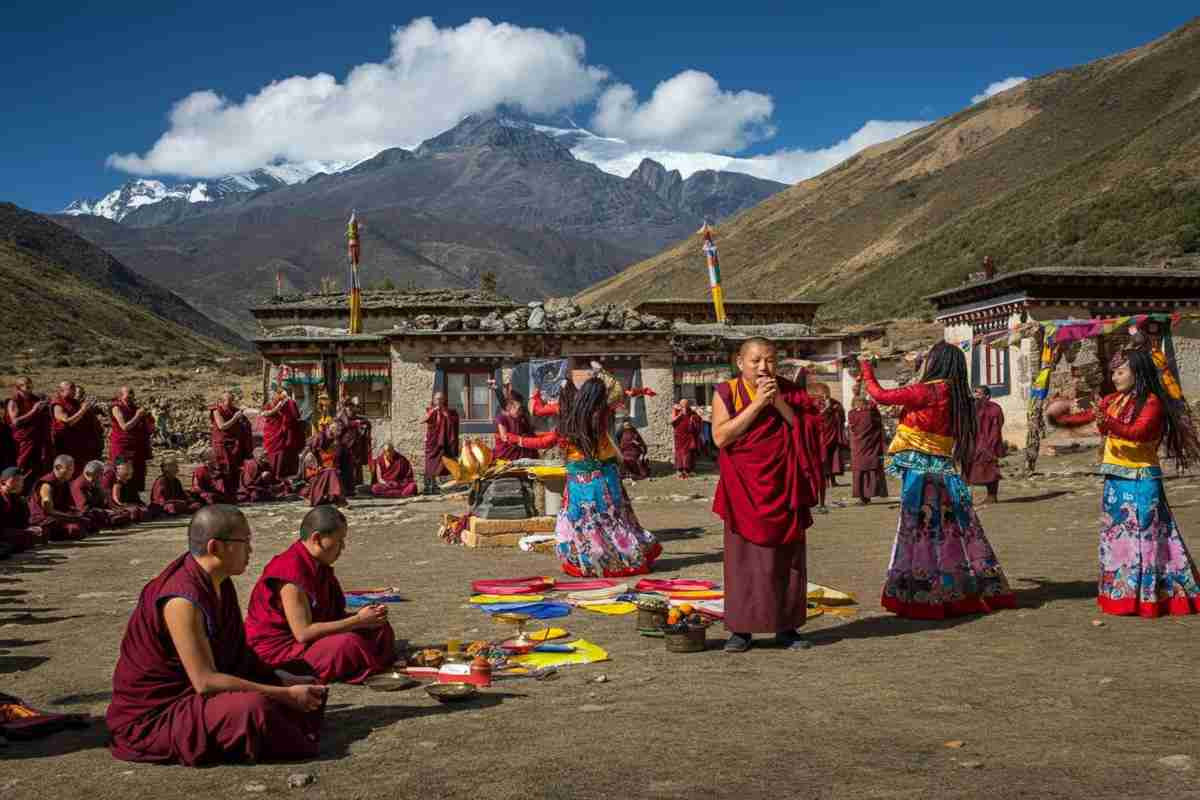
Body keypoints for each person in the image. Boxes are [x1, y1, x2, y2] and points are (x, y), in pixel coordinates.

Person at [106, 505, 326, 765]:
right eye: (245, 541)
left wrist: (278, 677)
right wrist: (283, 694)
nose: (250, 550)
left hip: (200, 693)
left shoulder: (220, 581)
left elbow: (236, 655)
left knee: (302, 674)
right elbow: (205, 682)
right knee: (254, 709)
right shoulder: (181, 600)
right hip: (158, 715)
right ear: (216, 547)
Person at [860, 343, 1016, 619]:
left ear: (936, 362)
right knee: (955, 531)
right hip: (946, 471)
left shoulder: (928, 391)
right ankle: (967, 588)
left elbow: (881, 396)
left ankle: (925, 594)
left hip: (921, 474)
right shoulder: (959, 396)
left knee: (921, 530)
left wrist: (866, 369)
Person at [1066, 349, 1200, 617]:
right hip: (1115, 481)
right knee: (1118, 539)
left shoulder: (1151, 402)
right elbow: (1104, 428)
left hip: (1141, 479)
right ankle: (1122, 596)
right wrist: (1071, 416)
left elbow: (1138, 432)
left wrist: (1107, 420)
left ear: (1137, 373)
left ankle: (1152, 597)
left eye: (1120, 372)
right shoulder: (1113, 400)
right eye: (1113, 373)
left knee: (1147, 538)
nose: (1115, 377)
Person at [712, 338, 824, 653]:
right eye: (756, 360)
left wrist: (779, 404)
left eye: (771, 360)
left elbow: (809, 431)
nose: (764, 367)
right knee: (742, 562)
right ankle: (741, 630)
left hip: (784, 486)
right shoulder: (727, 392)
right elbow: (721, 437)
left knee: (786, 560)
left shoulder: (790, 392)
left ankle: (786, 627)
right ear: (740, 362)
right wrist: (758, 404)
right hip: (744, 488)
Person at [506, 369, 660, 577]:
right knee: (613, 519)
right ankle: (625, 559)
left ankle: (589, 561)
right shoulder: (603, 414)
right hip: (606, 478)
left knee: (582, 523)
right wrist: (602, 373)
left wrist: (515, 439)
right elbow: (618, 390)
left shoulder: (568, 423)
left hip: (578, 482)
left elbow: (542, 439)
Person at [245, 506, 396, 683]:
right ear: (317, 539)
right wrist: (358, 620)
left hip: (309, 641)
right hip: (280, 653)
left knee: (379, 627)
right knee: (348, 644)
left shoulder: (317, 565)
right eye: (339, 541)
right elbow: (303, 633)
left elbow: (330, 616)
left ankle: (365, 659)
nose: (343, 547)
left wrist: (368, 617)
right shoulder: (290, 571)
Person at [30, 455, 94, 540]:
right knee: (75, 530)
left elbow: (65, 505)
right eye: (69, 469)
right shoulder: (46, 484)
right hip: (44, 520)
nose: (72, 472)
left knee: (88, 520)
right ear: (58, 467)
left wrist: (76, 513)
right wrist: (71, 517)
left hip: (58, 517)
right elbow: (48, 510)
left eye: (72, 469)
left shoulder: (63, 482)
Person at [8, 377, 54, 489]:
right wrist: (34, 410)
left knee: (39, 464)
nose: (29, 388)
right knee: (22, 464)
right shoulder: (14, 401)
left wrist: (45, 407)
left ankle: (33, 489)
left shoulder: (35, 399)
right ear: (19, 388)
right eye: (26, 386)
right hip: (25, 438)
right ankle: (16, 487)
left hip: (39, 436)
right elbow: (15, 421)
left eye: (30, 385)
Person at [109, 386, 154, 494]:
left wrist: (147, 418)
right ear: (120, 396)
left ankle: (134, 496)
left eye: (132, 394)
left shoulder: (136, 408)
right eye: (128, 393)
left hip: (136, 447)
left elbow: (149, 429)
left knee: (137, 472)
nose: (130, 396)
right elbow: (124, 427)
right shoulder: (116, 408)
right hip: (121, 447)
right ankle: (117, 497)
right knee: (120, 472)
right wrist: (138, 416)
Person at [965, 386, 1005, 504]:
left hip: (989, 442)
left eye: (979, 393)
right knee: (969, 469)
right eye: (974, 393)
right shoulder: (972, 408)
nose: (975, 395)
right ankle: (966, 498)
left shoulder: (994, 408)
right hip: (974, 443)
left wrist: (992, 443)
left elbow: (998, 425)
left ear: (987, 396)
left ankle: (992, 496)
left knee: (991, 470)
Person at [210, 392, 253, 499]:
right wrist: (235, 418)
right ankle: (224, 491)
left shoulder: (234, 410)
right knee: (224, 467)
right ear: (221, 401)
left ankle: (235, 490)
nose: (230, 403)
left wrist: (242, 417)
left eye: (232, 400)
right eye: (228, 401)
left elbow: (245, 423)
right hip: (222, 443)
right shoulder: (216, 410)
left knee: (235, 467)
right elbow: (222, 426)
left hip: (234, 443)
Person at [847, 396, 888, 504]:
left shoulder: (853, 414)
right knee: (868, 469)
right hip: (869, 446)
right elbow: (878, 424)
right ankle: (867, 496)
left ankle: (863, 497)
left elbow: (852, 426)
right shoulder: (871, 414)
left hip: (859, 446)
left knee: (861, 470)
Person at [50, 382, 95, 478]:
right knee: (65, 466)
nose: (74, 391)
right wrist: (83, 410)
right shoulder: (58, 404)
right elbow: (67, 421)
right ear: (62, 390)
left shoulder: (74, 402)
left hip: (77, 441)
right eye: (71, 389)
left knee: (78, 467)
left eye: (74, 388)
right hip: (64, 441)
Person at [71, 460, 134, 529]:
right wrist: (104, 511)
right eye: (99, 474)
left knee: (123, 513)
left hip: (98, 510)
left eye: (102, 474)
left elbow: (103, 500)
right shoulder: (79, 485)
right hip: (87, 513)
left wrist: (114, 509)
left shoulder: (95, 482)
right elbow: (83, 508)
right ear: (88, 473)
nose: (101, 477)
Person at [261, 386, 305, 481]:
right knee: (271, 452)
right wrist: (276, 409)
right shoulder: (270, 404)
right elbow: (264, 414)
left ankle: (280, 473)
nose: (273, 396)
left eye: (276, 394)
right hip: (272, 431)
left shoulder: (288, 403)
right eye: (272, 394)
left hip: (282, 432)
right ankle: (272, 473)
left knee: (282, 451)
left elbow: (295, 416)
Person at [422, 392, 460, 495]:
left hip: (443, 441)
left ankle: (443, 485)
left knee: (444, 462)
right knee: (430, 463)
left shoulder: (448, 412)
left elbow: (453, 422)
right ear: (434, 400)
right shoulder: (430, 411)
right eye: (437, 399)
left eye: (441, 399)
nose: (439, 400)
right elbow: (424, 421)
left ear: (444, 400)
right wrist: (433, 411)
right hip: (433, 441)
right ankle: (429, 486)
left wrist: (446, 415)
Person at [811, 383, 848, 488]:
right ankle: (825, 481)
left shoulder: (835, 403)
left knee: (833, 459)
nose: (826, 394)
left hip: (833, 434)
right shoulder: (816, 403)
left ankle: (833, 480)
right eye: (823, 392)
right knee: (823, 458)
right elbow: (817, 416)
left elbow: (842, 416)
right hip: (822, 435)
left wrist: (837, 410)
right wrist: (827, 408)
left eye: (827, 392)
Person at [0, 468, 42, 554]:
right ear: (3, 482)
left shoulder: (18, 499)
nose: (20, 484)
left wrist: (28, 528)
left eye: (22, 481)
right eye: (16, 480)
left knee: (35, 535)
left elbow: (21, 522)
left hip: (9, 532)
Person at [102, 458, 154, 523]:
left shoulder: (131, 481)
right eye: (126, 473)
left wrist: (140, 505)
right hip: (116, 507)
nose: (130, 472)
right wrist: (124, 506)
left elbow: (135, 498)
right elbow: (115, 500)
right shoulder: (113, 481)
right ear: (117, 470)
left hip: (128, 505)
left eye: (130, 471)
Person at [335, 398, 372, 490]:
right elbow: (347, 424)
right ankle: (348, 486)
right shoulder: (341, 415)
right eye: (348, 406)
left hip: (355, 443)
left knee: (357, 463)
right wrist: (357, 422)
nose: (350, 408)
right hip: (345, 444)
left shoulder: (353, 414)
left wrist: (364, 422)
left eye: (351, 406)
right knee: (347, 465)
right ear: (345, 407)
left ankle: (357, 483)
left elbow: (359, 420)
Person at [73, 385, 106, 467]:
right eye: (77, 393)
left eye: (82, 394)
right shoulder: (71, 407)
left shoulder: (88, 405)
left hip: (94, 441)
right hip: (78, 441)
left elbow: (103, 413)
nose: (80, 396)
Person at [671, 399, 703, 479]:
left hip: (689, 436)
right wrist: (680, 415)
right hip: (679, 436)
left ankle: (688, 470)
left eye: (686, 404)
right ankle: (680, 469)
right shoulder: (677, 411)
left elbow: (699, 419)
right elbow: (672, 421)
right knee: (679, 453)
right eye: (683, 405)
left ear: (688, 405)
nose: (685, 406)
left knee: (689, 452)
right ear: (680, 405)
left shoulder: (691, 412)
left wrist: (694, 418)